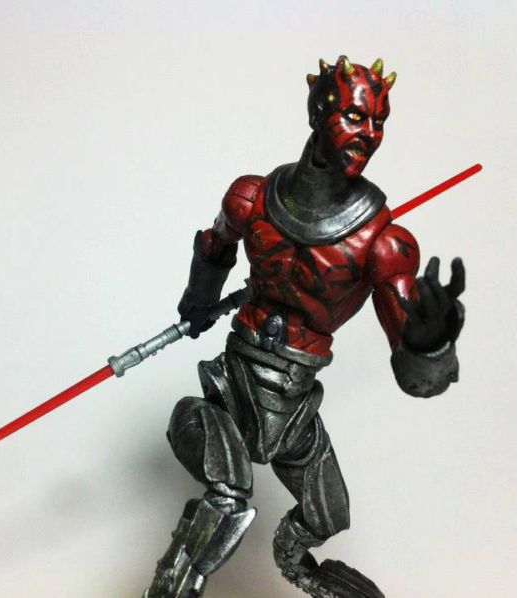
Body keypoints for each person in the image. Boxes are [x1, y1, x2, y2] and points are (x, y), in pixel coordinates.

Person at [144, 55, 465, 598]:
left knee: (328, 515)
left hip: (294, 411)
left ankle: (301, 570)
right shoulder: (251, 198)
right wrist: (197, 303)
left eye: (379, 122)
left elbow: (416, 377)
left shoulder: (383, 245)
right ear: (318, 112)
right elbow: (216, 246)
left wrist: (430, 342)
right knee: (228, 496)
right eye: (355, 117)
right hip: (231, 389)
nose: (370, 134)